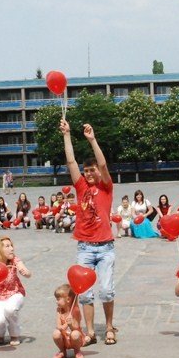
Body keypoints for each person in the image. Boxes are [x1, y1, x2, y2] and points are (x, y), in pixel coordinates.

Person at [61, 118, 118, 346]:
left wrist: (92, 140)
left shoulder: (105, 186)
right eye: (86, 171)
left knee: (106, 291)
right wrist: (67, 134)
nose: (88, 173)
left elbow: (103, 165)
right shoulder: (81, 186)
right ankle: (91, 332)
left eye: (91, 170)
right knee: (84, 293)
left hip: (105, 247)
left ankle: (110, 327)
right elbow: (71, 161)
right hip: (85, 247)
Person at [0, 236, 30, 346]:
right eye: (7, 246)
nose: (12, 248)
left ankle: (14, 334)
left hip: (14, 293)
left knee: (10, 309)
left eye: (11, 245)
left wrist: (25, 272)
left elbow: (28, 273)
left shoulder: (14, 260)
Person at [52, 284, 85, 358]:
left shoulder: (75, 311)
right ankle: (62, 351)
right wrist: (63, 326)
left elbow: (76, 327)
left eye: (58, 299)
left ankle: (77, 351)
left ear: (68, 299)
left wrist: (70, 324)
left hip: (75, 339)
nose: (56, 302)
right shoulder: (59, 310)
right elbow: (58, 325)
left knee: (75, 334)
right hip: (64, 337)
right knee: (56, 333)